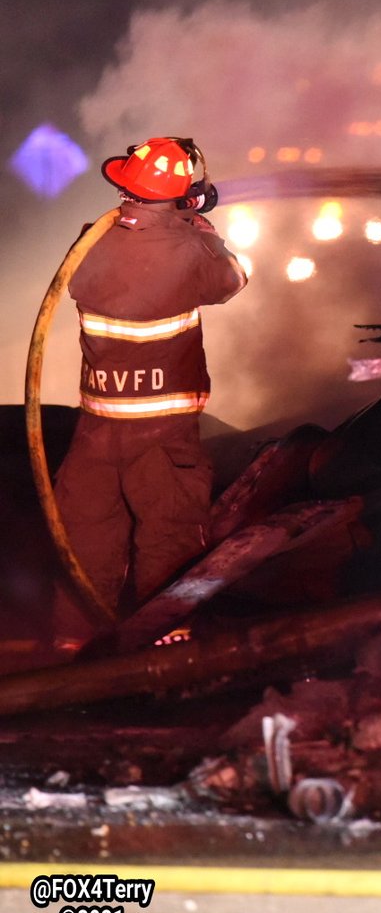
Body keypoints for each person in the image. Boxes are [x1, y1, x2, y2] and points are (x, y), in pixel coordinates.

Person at [52, 136, 248, 651]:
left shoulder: (90, 243)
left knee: (87, 533)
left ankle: (74, 647)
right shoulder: (192, 251)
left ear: (126, 189)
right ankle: (170, 644)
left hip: (98, 427)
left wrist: (177, 219)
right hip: (164, 432)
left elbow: (117, 256)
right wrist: (202, 230)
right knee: (171, 531)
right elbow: (233, 279)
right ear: (182, 196)